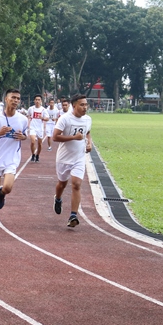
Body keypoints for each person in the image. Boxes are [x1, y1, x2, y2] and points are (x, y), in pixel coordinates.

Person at [0, 89, 28, 224]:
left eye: (18, 98)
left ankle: (2, 194)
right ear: (6, 99)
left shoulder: (23, 119)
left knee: (7, 187)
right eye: (13, 97)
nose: (15, 100)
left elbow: (25, 135)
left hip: (12, 158)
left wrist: (23, 137)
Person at [52, 94, 92, 228]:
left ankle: (73, 215)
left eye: (86, 104)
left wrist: (89, 143)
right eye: (82, 105)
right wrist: (74, 137)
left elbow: (87, 132)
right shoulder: (65, 119)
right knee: (62, 184)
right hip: (64, 158)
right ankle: (57, 198)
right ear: (74, 106)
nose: (85, 107)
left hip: (79, 158)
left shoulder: (88, 120)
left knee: (76, 184)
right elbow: (55, 137)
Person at [27, 94, 49, 162]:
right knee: (33, 141)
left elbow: (47, 118)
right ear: (34, 100)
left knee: (39, 143)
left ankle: (37, 155)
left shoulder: (43, 110)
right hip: (33, 127)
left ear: (41, 101)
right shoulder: (31, 108)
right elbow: (28, 115)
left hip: (40, 128)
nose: (37, 101)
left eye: (38, 100)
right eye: (36, 100)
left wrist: (42, 118)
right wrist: (28, 123)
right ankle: (33, 154)